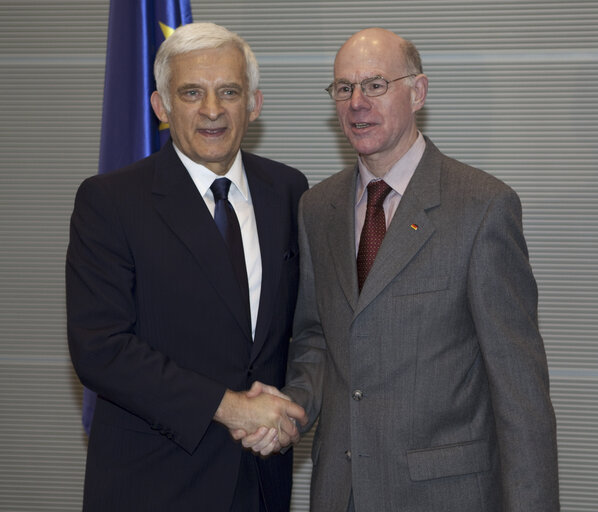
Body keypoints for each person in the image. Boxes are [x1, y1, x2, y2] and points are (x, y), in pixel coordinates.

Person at [242, 27, 560, 511]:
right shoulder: (317, 207)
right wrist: (290, 412)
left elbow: (521, 395)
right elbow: (317, 340)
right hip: (341, 491)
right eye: (343, 88)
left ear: (418, 92)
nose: (356, 103)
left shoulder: (482, 207)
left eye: (375, 84)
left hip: (444, 495)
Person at [66, 22, 308, 512]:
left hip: (262, 479)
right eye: (192, 92)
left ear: (254, 104)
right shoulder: (110, 200)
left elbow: (305, 327)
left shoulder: (288, 191)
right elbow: (101, 348)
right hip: (155, 484)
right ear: (161, 107)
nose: (212, 110)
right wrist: (233, 407)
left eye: (229, 92)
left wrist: (292, 410)